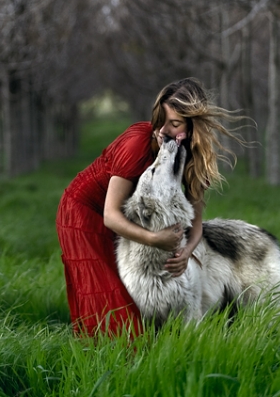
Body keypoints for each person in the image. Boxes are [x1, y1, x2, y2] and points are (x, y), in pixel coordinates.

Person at [56, 77, 245, 337]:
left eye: (175, 124)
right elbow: (110, 215)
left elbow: (196, 223)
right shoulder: (138, 144)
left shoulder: (193, 160)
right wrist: (156, 239)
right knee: (110, 299)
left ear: (192, 128)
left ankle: (150, 361)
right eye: (161, 120)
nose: (164, 130)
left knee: (127, 302)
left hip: (131, 219)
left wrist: (185, 253)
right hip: (86, 212)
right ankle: (107, 365)